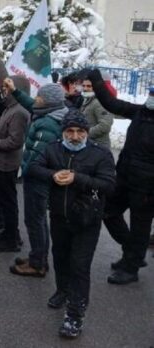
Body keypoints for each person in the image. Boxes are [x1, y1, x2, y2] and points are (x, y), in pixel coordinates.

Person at [28, 114, 115, 339]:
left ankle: (75, 314)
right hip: (59, 216)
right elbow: (34, 167)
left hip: (87, 220)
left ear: (86, 133)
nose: (75, 137)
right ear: (63, 132)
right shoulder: (53, 148)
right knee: (60, 257)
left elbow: (108, 184)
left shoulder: (100, 153)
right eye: (70, 132)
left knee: (79, 265)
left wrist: (77, 178)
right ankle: (62, 290)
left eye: (80, 132)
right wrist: (53, 174)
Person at [88, 69, 154, 285]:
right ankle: (132, 251)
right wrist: (96, 79)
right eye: (151, 95)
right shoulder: (141, 112)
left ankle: (131, 267)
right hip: (124, 178)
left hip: (147, 188)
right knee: (107, 212)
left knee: (140, 226)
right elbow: (112, 103)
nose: (150, 99)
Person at [9, 82, 68, 277]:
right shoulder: (52, 113)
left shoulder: (48, 123)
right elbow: (31, 104)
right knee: (39, 219)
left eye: (40, 96)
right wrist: (15, 90)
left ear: (48, 101)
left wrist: (25, 169)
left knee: (35, 220)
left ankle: (37, 264)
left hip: (38, 178)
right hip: (40, 177)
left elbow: (38, 155)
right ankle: (38, 256)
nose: (36, 99)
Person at [0, 69, 31, 253]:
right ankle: (9, 232)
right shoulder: (10, 107)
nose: (3, 91)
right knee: (4, 200)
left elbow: (15, 141)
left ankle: (12, 238)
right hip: (1, 161)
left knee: (9, 202)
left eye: (6, 87)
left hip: (7, 163)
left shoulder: (19, 112)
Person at [79, 78, 113, 148]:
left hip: (99, 146)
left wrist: (85, 133)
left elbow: (105, 126)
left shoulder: (100, 102)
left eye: (89, 86)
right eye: (84, 85)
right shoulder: (88, 99)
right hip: (89, 144)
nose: (85, 88)